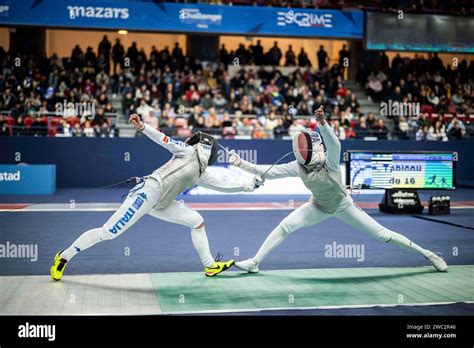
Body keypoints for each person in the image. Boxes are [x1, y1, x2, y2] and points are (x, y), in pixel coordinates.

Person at [229, 106, 448, 274]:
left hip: (344, 206)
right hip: (318, 206)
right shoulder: (298, 166)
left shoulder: (329, 161)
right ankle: (255, 263)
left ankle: (429, 255)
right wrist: (241, 163)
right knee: (285, 226)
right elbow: (266, 171)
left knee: (382, 235)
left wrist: (323, 123)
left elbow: (335, 144)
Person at [51, 114, 258, 281]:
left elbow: (225, 186)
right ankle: (64, 256)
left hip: (164, 204)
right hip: (147, 193)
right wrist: (142, 127)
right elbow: (163, 139)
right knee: (108, 233)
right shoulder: (186, 151)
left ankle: (210, 265)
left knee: (197, 222)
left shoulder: (202, 174)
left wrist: (249, 185)